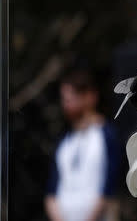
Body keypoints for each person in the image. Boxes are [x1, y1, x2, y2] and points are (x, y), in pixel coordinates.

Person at [44, 67, 123, 221]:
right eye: (64, 99)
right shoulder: (65, 141)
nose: (66, 105)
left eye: (71, 98)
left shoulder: (107, 135)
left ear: (89, 96)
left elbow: (110, 187)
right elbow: (51, 191)